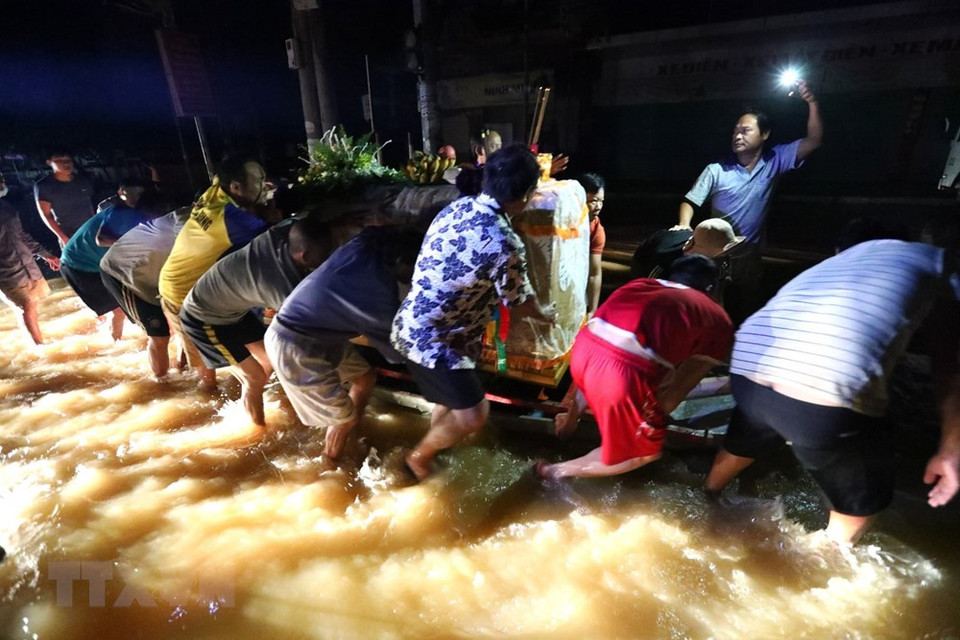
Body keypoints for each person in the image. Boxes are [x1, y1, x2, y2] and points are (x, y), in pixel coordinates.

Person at [703, 232, 960, 544]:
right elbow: (949, 366)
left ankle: (709, 497)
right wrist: (950, 448)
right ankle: (827, 559)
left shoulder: (854, 255)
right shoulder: (944, 264)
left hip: (748, 367)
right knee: (863, 500)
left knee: (752, 429)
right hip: (825, 390)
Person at [391, 144, 557, 480]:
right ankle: (419, 458)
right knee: (473, 414)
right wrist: (549, 314)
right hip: (435, 343)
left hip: (412, 326)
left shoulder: (458, 207)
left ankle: (434, 448)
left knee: (451, 403)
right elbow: (519, 301)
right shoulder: (504, 240)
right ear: (526, 195)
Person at [539, 255, 733, 480]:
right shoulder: (716, 318)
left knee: (623, 368)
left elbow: (604, 347)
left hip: (582, 354)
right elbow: (678, 390)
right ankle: (553, 472)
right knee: (643, 451)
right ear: (710, 288)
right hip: (620, 373)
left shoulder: (639, 285)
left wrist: (571, 420)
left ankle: (567, 428)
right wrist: (649, 423)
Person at [265, 225, 425, 458]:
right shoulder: (378, 297)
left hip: (317, 333)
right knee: (342, 419)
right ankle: (330, 466)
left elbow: (370, 229)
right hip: (293, 345)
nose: (416, 275)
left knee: (365, 378)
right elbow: (397, 353)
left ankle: (352, 430)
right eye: (416, 267)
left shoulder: (364, 245)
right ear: (401, 260)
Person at [675, 80, 822, 324]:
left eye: (745, 130)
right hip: (717, 252)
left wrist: (812, 102)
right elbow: (690, 201)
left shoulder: (775, 160)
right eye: (735, 130)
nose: (737, 135)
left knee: (747, 307)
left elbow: (814, 140)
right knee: (710, 307)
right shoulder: (716, 170)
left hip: (750, 254)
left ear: (765, 134)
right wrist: (684, 224)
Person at [178, 214, 333, 426]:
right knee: (256, 377)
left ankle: (249, 399)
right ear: (304, 256)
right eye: (323, 258)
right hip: (202, 318)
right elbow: (311, 326)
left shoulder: (276, 236)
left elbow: (303, 217)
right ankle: (257, 432)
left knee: (268, 362)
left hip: (232, 311)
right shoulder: (279, 286)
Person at [158, 154, 280, 389]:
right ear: (236, 186)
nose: (265, 185)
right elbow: (277, 236)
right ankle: (202, 399)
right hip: (183, 294)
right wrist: (273, 208)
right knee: (207, 370)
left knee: (264, 358)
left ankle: (255, 391)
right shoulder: (232, 219)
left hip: (211, 293)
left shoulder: (217, 192)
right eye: (259, 180)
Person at [100, 205, 191, 378]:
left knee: (184, 323)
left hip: (152, 272)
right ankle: (162, 383)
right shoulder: (189, 221)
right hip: (123, 274)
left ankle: (182, 368)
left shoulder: (199, 221)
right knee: (160, 334)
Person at [58, 192, 159, 340]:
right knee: (119, 310)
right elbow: (103, 239)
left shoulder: (131, 215)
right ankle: (116, 343)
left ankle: (108, 333)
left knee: (121, 307)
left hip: (91, 262)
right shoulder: (126, 216)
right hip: (79, 266)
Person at [0, 174, 60, 344]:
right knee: (25, 306)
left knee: (32, 304)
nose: (2, 182)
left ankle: (36, 340)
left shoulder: (6, 207)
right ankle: (39, 346)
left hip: (26, 263)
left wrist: (46, 255)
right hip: (5, 270)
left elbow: (21, 236)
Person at [33, 151, 95, 248]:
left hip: (90, 231)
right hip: (69, 234)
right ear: (49, 162)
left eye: (68, 160)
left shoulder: (81, 181)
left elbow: (89, 205)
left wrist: (96, 225)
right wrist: (63, 237)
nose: (66, 163)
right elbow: (46, 215)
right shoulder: (44, 185)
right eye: (59, 160)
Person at [579, 173, 606, 316]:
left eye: (601, 201)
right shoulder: (561, 222)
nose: (598, 206)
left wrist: (592, 310)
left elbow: (594, 273)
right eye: (594, 201)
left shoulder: (596, 230)